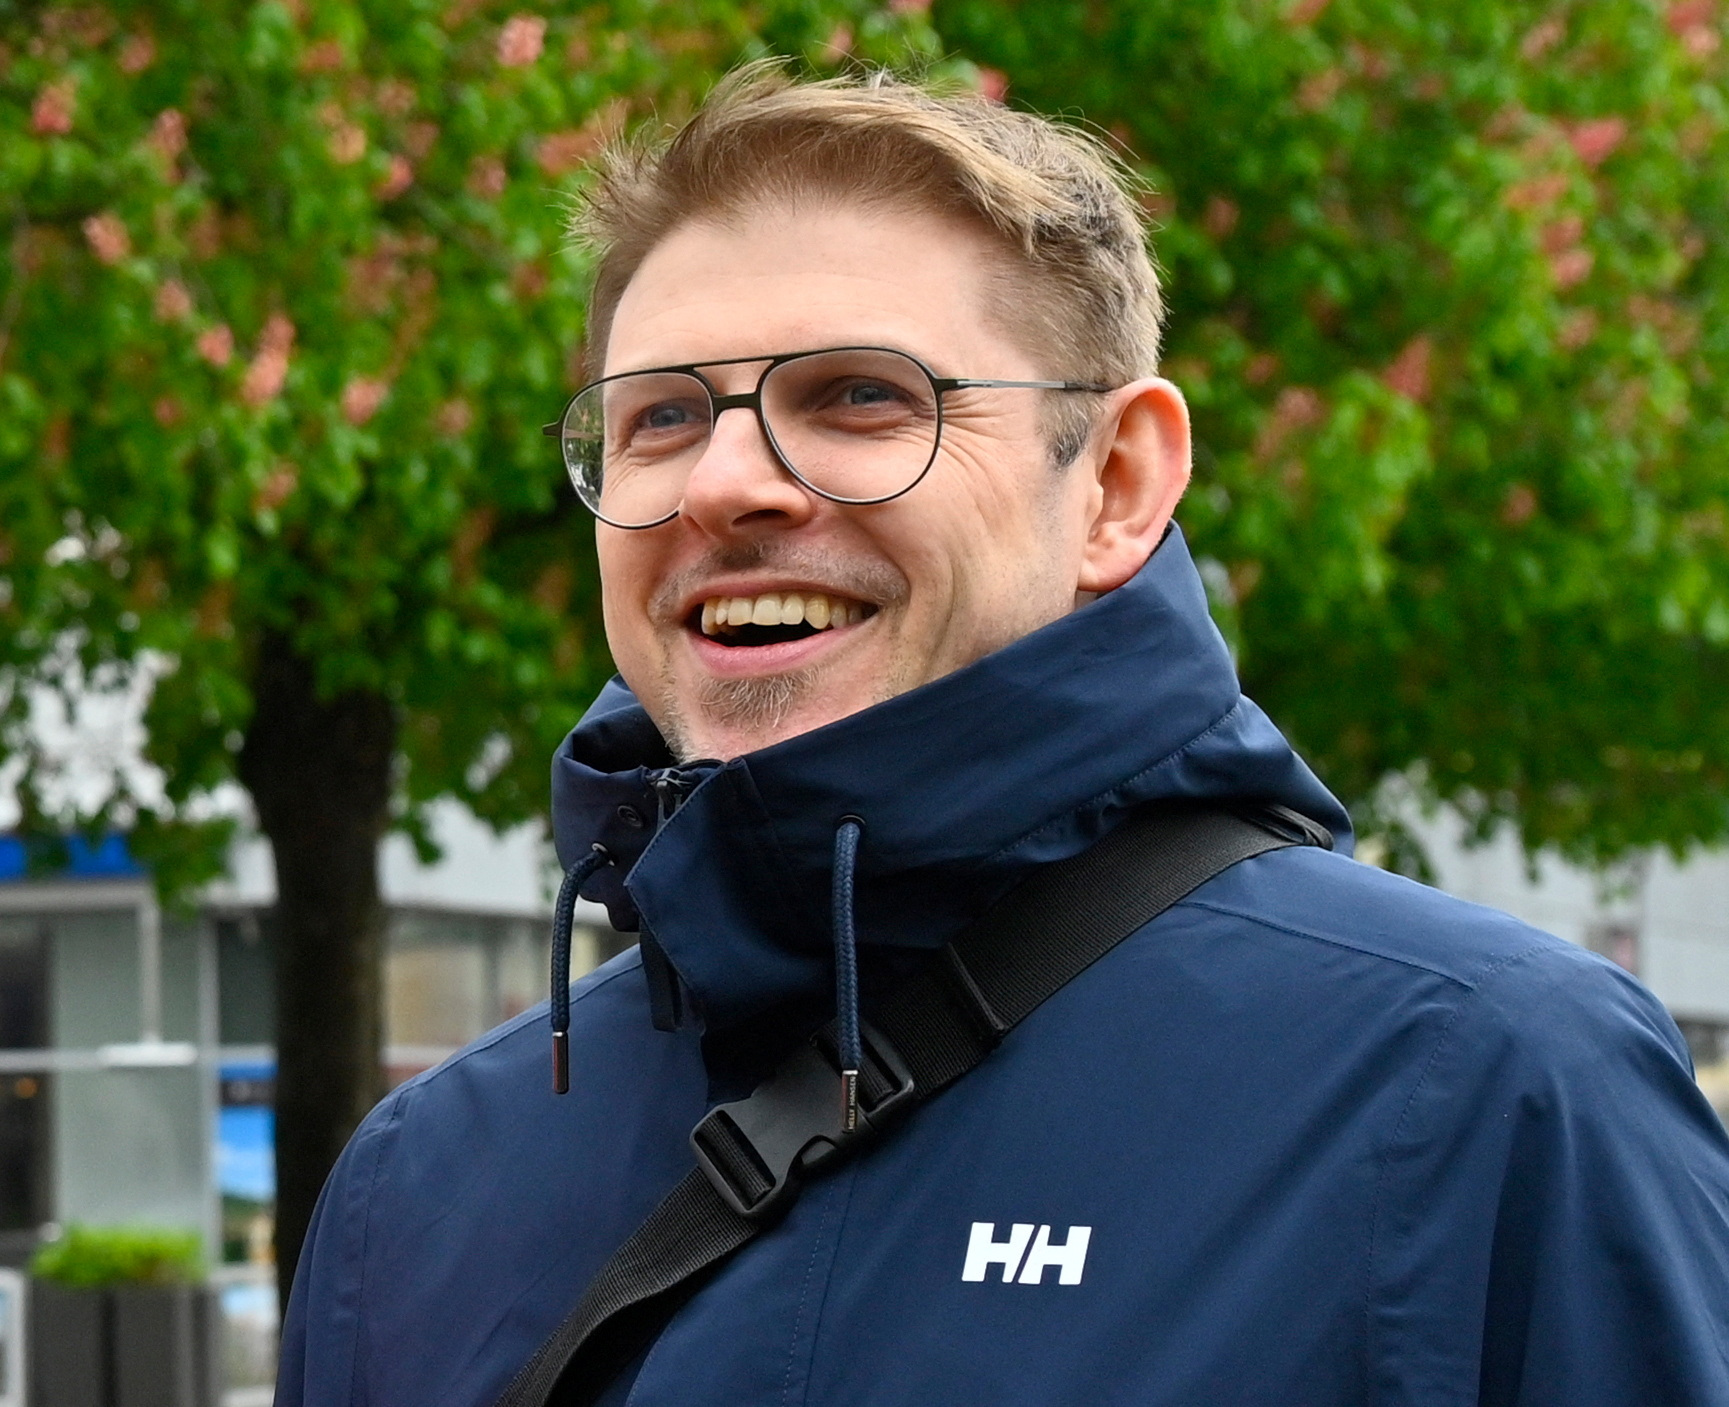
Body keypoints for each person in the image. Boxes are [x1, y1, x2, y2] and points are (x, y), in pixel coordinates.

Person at [277, 66, 1729, 1407]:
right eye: (659, 418)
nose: (726, 483)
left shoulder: (1483, 1086)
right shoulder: (426, 1182)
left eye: (857, 398)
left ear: (1114, 484)